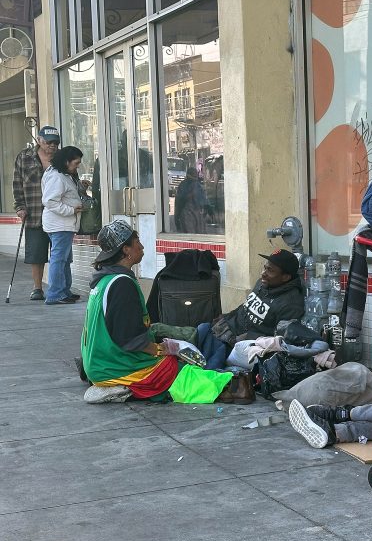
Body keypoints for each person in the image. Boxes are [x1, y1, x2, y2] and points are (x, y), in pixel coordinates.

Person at [81, 219, 254, 405]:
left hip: (98, 364)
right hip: (114, 368)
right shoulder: (121, 283)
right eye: (137, 241)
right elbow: (129, 339)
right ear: (126, 250)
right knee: (177, 367)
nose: (141, 246)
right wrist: (158, 350)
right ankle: (227, 386)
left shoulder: (105, 280)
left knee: (172, 343)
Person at [197, 249, 304, 368]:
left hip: (238, 345)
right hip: (225, 329)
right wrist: (227, 316)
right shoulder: (263, 283)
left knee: (205, 363)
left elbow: (279, 341)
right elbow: (246, 306)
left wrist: (248, 337)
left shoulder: (291, 304)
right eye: (265, 268)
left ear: (285, 277)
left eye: (270, 270)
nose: (263, 273)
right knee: (199, 332)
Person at [12, 126, 61, 300]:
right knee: (36, 254)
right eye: (49, 142)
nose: (52, 146)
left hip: (58, 214)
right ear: (39, 140)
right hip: (34, 212)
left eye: (56, 142)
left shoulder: (61, 158)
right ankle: (37, 287)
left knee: (59, 253)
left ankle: (59, 288)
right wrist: (19, 207)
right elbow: (17, 184)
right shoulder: (24, 157)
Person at [41, 146, 85, 305]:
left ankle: (64, 290)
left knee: (64, 259)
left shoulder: (62, 174)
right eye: (76, 163)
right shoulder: (56, 176)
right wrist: (71, 210)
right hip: (60, 224)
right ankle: (55, 294)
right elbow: (49, 201)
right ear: (66, 161)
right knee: (59, 259)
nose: (77, 166)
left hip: (63, 224)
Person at [174, 166, 208, 233]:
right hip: (188, 214)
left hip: (195, 214)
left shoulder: (197, 186)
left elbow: (204, 201)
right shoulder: (186, 185)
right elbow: (179, 203)